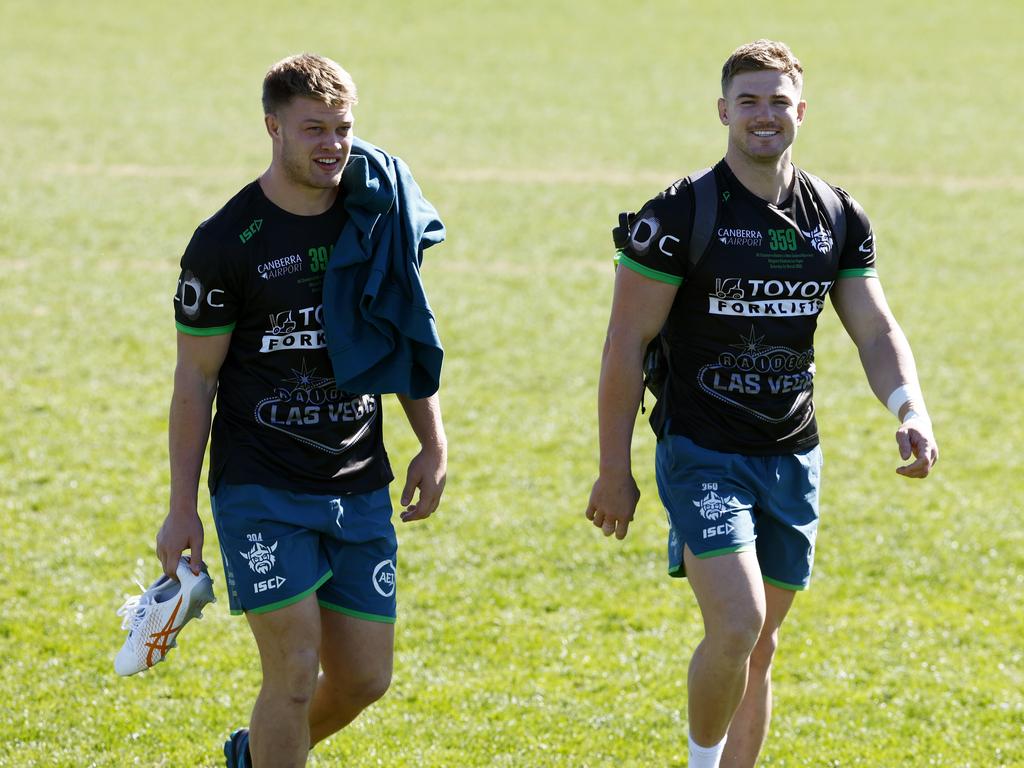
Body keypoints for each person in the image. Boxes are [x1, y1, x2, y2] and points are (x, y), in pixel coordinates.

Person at [586, 40, 937, 768]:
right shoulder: (679, 214)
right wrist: (613, 471)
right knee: (739, 622)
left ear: (801, 112)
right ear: (723, 111)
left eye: (779, 101)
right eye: (748, 100)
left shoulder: (836, 214)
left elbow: (874, 328)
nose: (764, 115)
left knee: (763, 642)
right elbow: (625, 343)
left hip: (792, 454)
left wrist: (911, 409)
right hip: (701, 451)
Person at [156, 53, 447, 768]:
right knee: (290, 674)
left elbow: (398, 329)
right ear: (272, 127)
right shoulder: (226, 243)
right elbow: (195, 380)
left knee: (364, 679)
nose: (332, 145)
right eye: (313, 128)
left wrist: (433, 442)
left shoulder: (373, 217)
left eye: (343, 129)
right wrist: (181, 506)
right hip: (262, 486)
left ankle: (255, 757)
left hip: (356, 478)